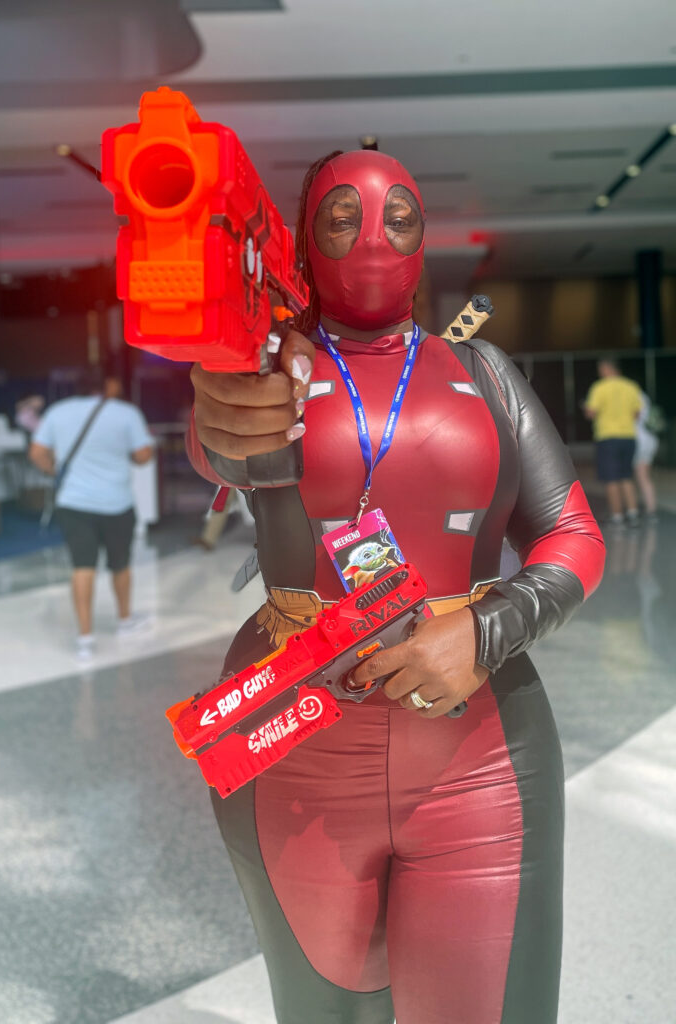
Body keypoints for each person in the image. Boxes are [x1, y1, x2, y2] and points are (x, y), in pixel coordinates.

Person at [186, 150, 605, 1024]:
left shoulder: (482, 371)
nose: (372, 236)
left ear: (425, 240)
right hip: (292, 748)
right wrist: (226, 403)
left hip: (481, 758)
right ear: (304, 241)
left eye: (398, 216)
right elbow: (223, 437)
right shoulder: (272, 375)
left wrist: (486, 630)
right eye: (341, 218)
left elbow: (571, 532)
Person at [29, 367, 154, 661]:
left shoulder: (57, 412)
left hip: (74, 504)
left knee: (82, 566)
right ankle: (124, 621)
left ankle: (85, 637)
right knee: (120, 565)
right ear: (108, 385)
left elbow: (36, 452)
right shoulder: (126, 414)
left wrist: (54, 470)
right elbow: (143, 456)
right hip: (117, 503)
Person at [583, 359, 643, 527]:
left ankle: (617, 516)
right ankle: (633, 513)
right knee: (626, 476)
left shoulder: (599, 387)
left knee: (611, 479)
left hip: (607, 437)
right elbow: (637, 414)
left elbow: (591, 413)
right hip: (628, 437)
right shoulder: (631, 386)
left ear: (606, 368)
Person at [633, 389, 659, 522]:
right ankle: (650, 509)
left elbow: (635, 415)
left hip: (639, 440)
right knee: (644, 477)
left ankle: (646, 510)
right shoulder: (644, 396)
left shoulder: (632, 394)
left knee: (639, 477)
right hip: (650, 439)